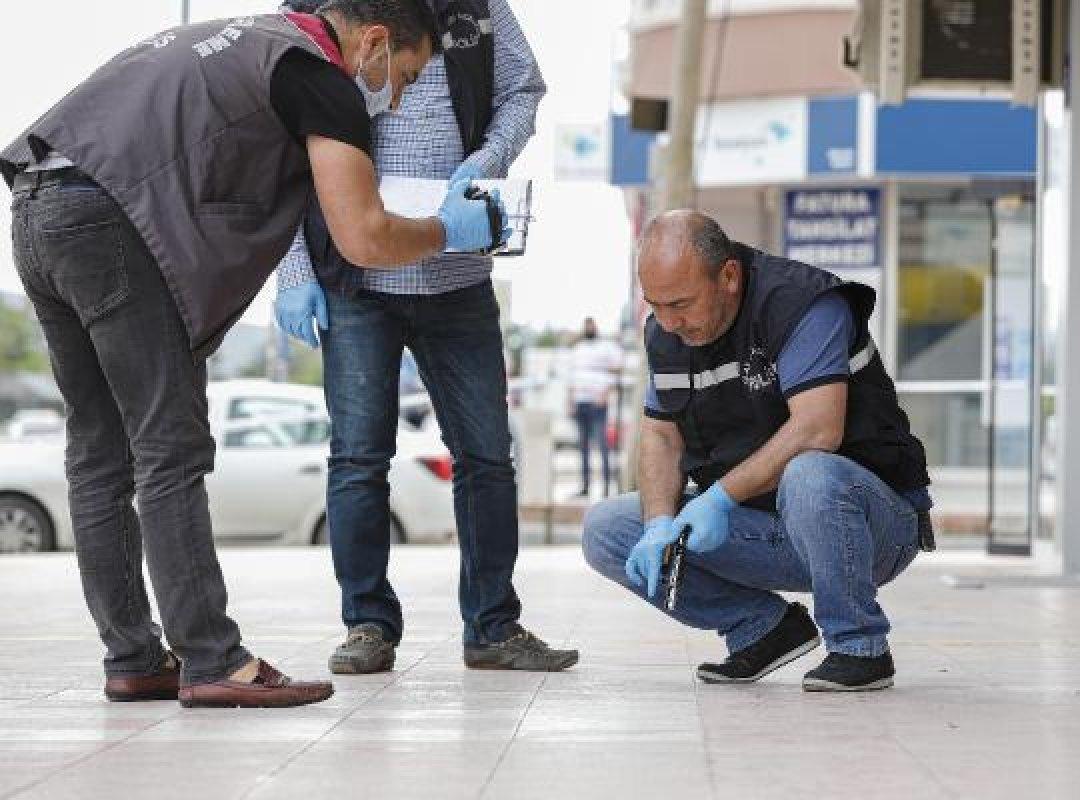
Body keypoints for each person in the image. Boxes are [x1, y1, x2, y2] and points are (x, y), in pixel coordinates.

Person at [1, 0, 506, 708]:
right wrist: (446, 230)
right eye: (405, 75)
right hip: (106, 219)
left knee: (99, 451)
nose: (394, 97)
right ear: (374, 42)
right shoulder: (321, 78)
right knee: (169, 446)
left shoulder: (250, 40)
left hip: (36, 204)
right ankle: (212, 659)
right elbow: (362, 236)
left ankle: (135, 657)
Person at [275, 0, 578, 674]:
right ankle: (367, 626)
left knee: (487, 458)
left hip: (458, 274)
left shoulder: (479, 9)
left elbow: (523, 90)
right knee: (357, 459)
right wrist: (294, 271)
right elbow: (278, 148)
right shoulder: (310, 13)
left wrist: (489, 158)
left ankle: (494, 626)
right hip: (353, 282)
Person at [582, 211, 936, 692]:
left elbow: (817, 429)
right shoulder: (667, 333)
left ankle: (859, 646)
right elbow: (661, 436)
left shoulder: (802, 305)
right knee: (607, 529)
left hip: (870, 527)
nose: (668, 322)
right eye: (656, 305)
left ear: (728, 275)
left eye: (681, 304)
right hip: (763, 527)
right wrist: (658, 524)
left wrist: (719, 498)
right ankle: (763, 628)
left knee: (811, 472)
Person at [568, 317, 623, 497]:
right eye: (586, 325)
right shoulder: (578, 349)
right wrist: (571, 401)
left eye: (591, 325)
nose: (589, 328)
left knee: (602, 445)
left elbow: (617, 371)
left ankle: (607, 487)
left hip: (598, 402)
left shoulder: (606, 347)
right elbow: (572, 376)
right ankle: (585, 486)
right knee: (582, 446)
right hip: (580, 401)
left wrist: (606, 393)